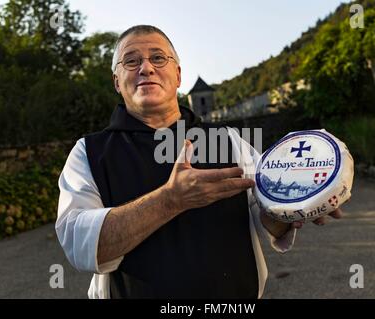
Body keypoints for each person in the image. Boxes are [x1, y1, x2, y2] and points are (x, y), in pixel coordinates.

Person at [56, 25, 342, 299]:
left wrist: (294, 206)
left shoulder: (228, 140)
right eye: (131, 61)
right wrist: (170, 200)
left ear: (178, 75)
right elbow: (79, 244)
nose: (146, 68)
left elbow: (266, 219)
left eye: (158, 57)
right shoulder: (89, 152)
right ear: (117, 81)